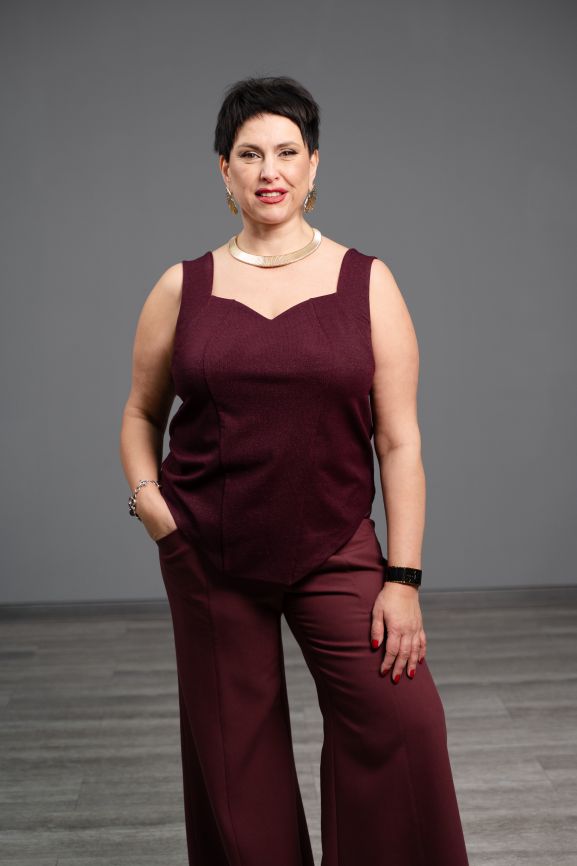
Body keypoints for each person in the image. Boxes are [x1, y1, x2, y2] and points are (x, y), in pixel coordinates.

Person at [120, 75, 469, 866]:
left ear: (313, 165)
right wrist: (152, 506)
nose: (268, 170)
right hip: (207, 550)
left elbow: (399, 442)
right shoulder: (182, 286)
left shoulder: (367, 281)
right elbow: (140, 413)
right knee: (235, 766)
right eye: (249, 154)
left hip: (334, 546)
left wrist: (402, 578)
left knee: (403, 724)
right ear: (224, 170)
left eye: (286, 152)